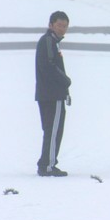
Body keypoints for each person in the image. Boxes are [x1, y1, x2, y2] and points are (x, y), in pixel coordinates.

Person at [35, 11, 72, 177]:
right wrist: (65, 81)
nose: (62, 29)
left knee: (51, 129)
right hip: (52, 95)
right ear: (51, 25)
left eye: (65, 26)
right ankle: (48, 165)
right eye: (59, 25)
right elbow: (48, 66)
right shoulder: (49, 41)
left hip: (48, 94)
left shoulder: (52, 42)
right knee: (53, 130)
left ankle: (46, 162)